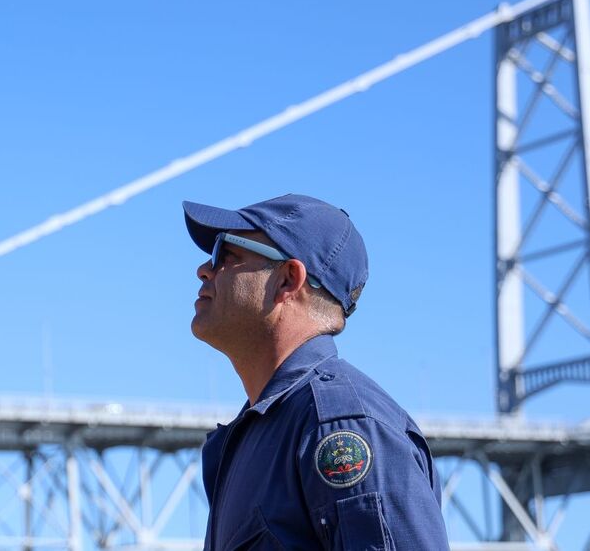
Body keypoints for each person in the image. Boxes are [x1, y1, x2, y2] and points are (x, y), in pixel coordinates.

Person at [184, 194, 448, 550]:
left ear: (288, 280)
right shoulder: (261, 433)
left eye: (225, 254)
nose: (204, 269)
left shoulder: (340, 424)